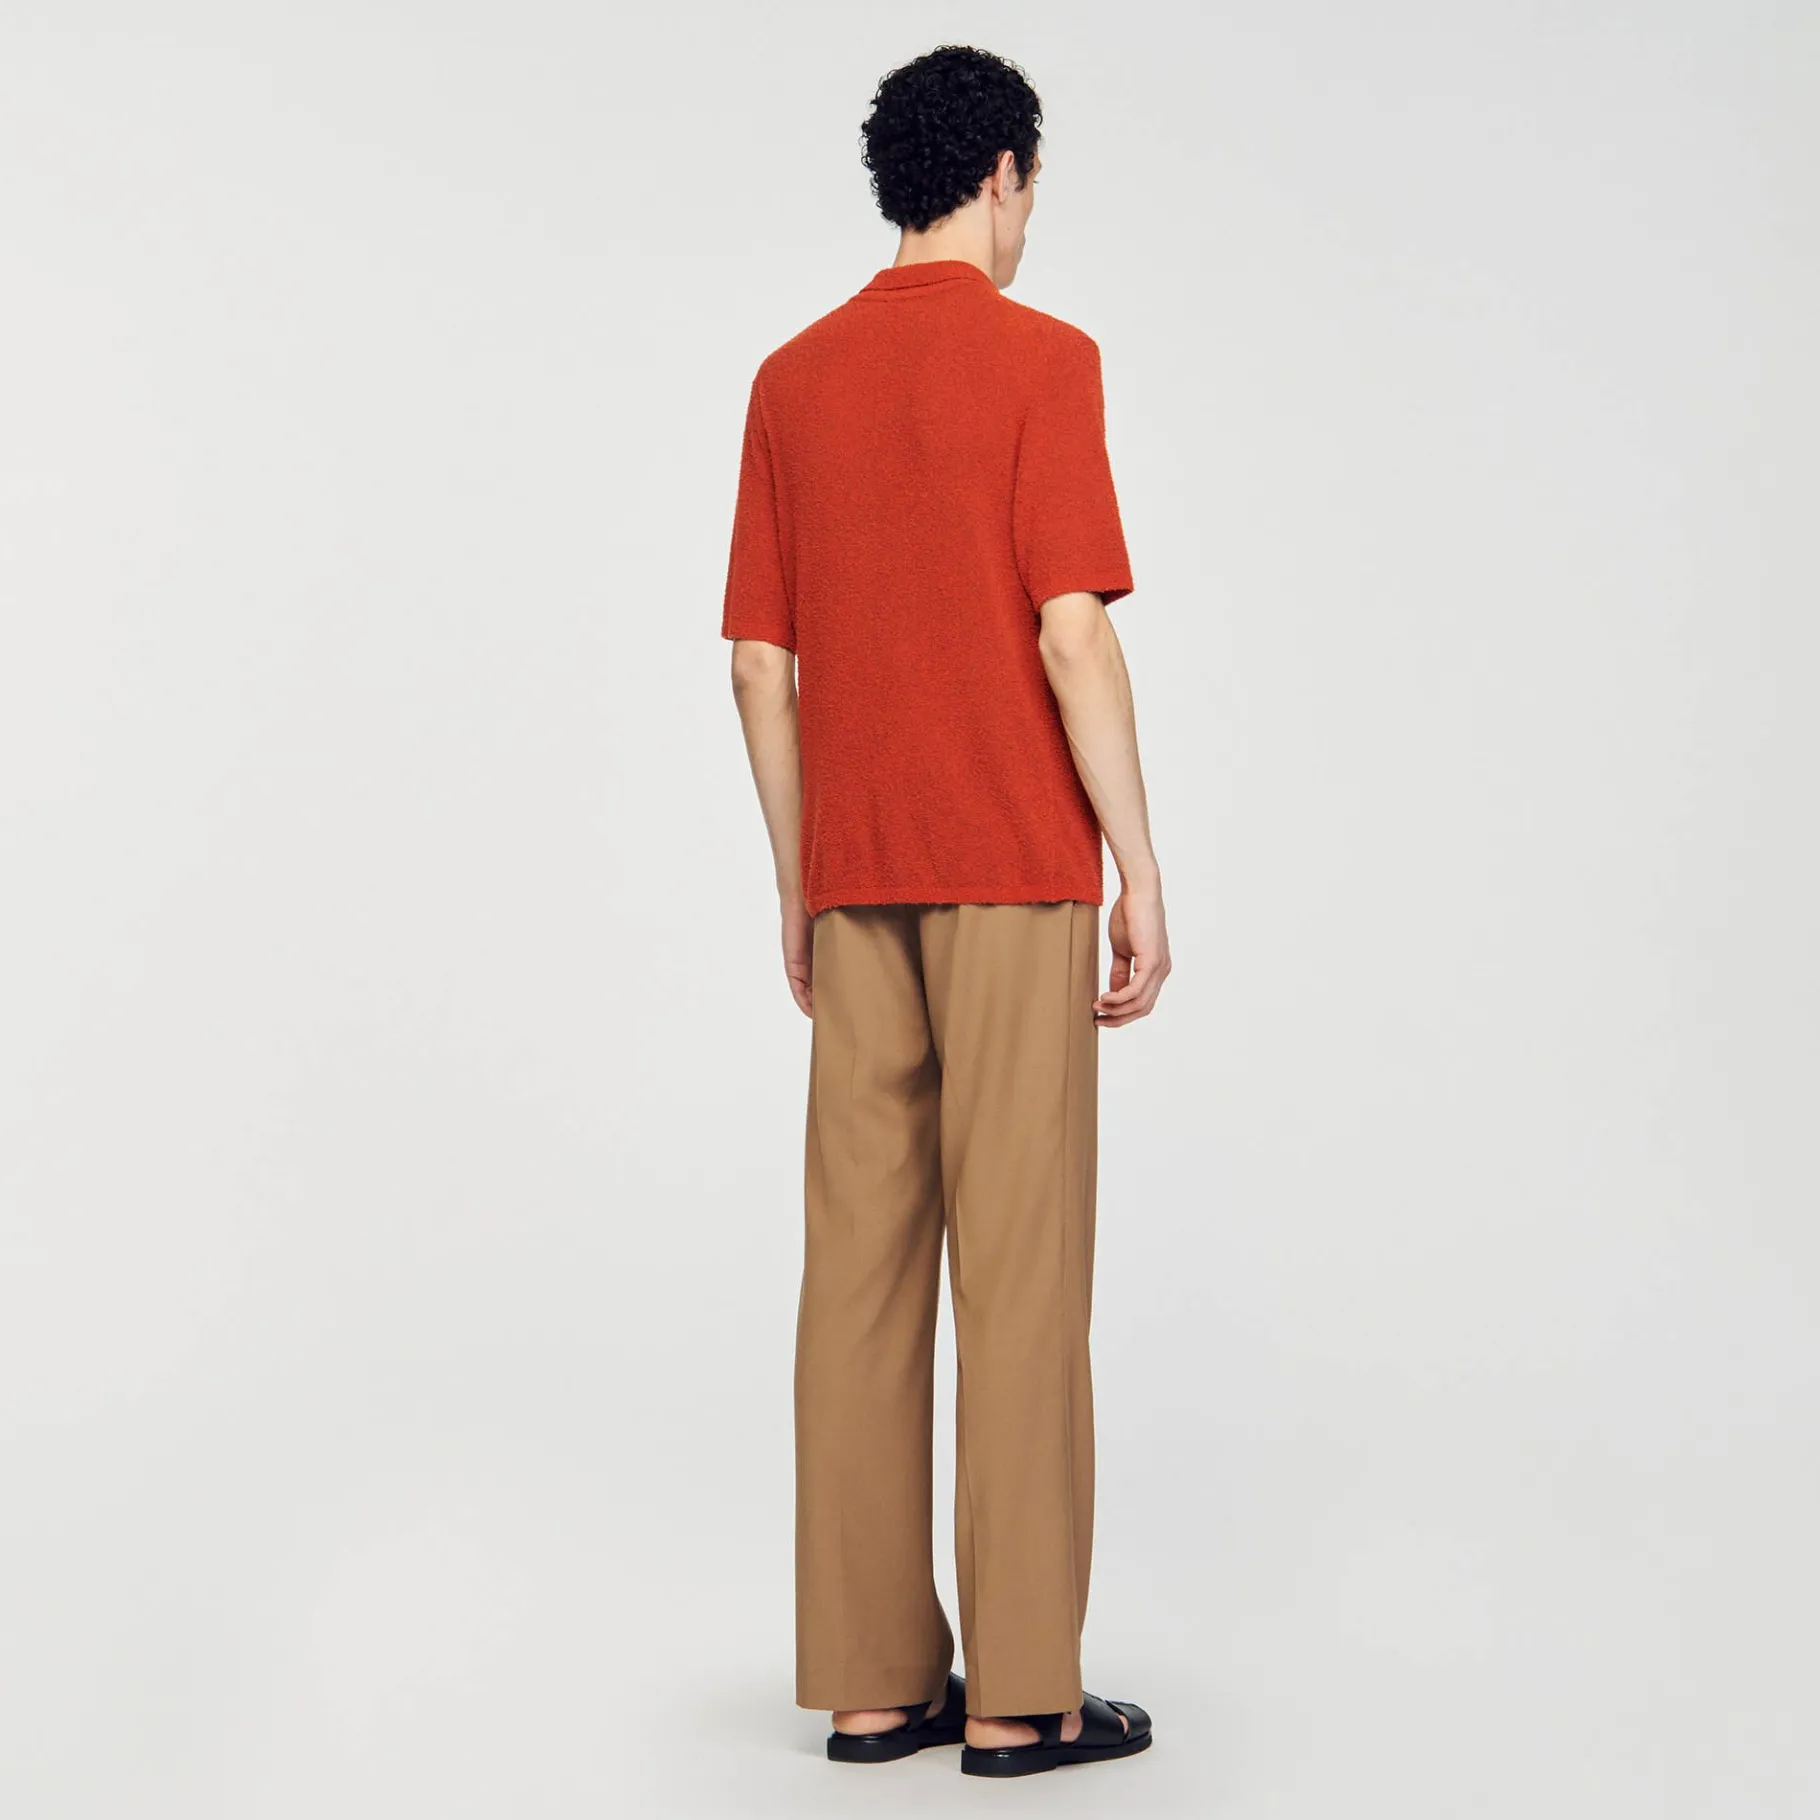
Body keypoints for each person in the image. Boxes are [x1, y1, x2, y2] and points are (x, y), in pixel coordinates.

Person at [720, 44, 1169, 1780]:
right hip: (1016, 869)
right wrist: (1141, 863)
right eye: (1031, 188)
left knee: (858, 1277)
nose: (1030, 216)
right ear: (1001, 173)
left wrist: (798, 878)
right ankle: (1020, 1696)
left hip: (859, 878)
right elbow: (1073, 630)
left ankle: (870, 1685)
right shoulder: (1046, 362)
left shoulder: (791, 380)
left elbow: (760, 665)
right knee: (1021, 1276)